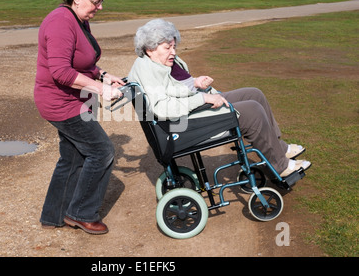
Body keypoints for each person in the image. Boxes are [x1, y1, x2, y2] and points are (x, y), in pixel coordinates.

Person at [128, 19, 311, 178]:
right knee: (252, 110)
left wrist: (196, 82)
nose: (173, 52)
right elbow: (163, 108)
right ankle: (281, 165)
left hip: (195, 106)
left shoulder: (157, 62)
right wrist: (204, 99)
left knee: (254, 93)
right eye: (168, 47)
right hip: (187, 121)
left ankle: (279, 148)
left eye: (174, 46)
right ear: (150, 48)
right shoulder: (148, 69)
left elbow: (176, 86)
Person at [34, 0, 125, 235]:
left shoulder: (78, 19)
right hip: (60, 103)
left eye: (101, 1)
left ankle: (54, 215)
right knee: (102, 151)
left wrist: (105, 75)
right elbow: (61, 72)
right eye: (95, 1)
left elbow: (84, 60)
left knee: (72, 158)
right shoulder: (60, 22)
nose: (99, 7)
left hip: (75, 100)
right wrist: (100, 89)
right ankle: (81, 213)